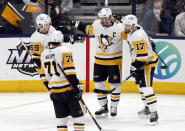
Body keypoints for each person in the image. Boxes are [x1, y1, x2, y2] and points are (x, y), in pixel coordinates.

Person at [69, 8, 127, 117]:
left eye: (104, 18)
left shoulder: (119, 28)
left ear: (110, 17)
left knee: (114, 85)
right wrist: (76, 24)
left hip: (114, 62)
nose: (102, 20)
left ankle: (114, 107)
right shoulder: (97, 24)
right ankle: (103, 107)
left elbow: (131, 36)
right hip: (99, 61)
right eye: (101, 18)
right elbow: (87, 29)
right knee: (99, 84)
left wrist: (124, 21)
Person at [41, 31, 86, 131]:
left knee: (61, 121)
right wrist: (76, 86)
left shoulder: (43, 54)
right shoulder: (65, 50)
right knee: (79, 118)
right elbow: (70, 71)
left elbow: (43, 76)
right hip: (68, 90)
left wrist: (50, 89)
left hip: (54, 92)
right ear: (61, 39)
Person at [30, 13, 84, 91]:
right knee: (55, 90)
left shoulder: (51, 29)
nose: (49, 26)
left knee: (66, 83)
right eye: (46, 24)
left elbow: (57, 39)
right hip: (46, 67)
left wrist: (70, 38)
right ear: (40, 25)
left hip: (56, 61)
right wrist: (45, 69)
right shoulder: (35, 38)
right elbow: (36, 58)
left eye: (49, 23)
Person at [122, 14, 159, 125]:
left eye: (127, 26)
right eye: (125, 25)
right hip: (139, 61)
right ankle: (147, 107)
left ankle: (154, 112)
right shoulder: (135, 28)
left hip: (147, 63)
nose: (125, 28)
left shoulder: (138, 36)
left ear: (133, 26)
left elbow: (143, 57)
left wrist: (134, 67)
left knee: (146, 88)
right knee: (140, 85)